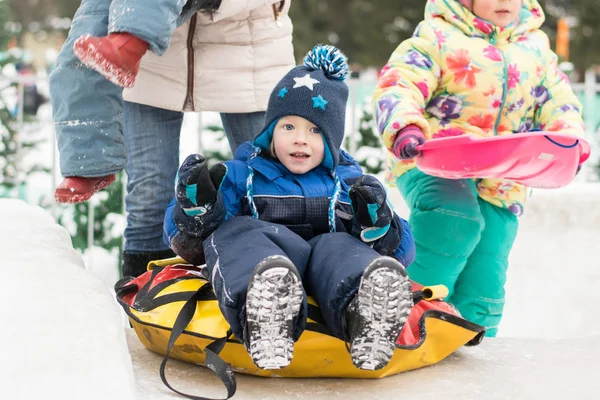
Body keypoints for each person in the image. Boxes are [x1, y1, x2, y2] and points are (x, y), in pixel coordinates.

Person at [163, 45, 416, 371]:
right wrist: (198, 208)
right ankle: (263, 316)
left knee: (342, 246)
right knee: (238, 232)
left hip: (327, 272)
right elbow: (184, 240)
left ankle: (364, 313)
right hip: (269, 263)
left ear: (332, 140)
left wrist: (379, 225)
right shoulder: (241, 175)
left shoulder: (349, 184)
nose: (300, 139)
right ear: (269, 133)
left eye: (315, 131)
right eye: (288, 127)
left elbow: (404, 251)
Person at [372, 0, 585, 337]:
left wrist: (568, 142)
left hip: (504, 174)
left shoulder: (535, 49)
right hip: (435, 160)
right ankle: (402, 312)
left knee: (488, 265)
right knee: (455, 219)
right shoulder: (438, 36)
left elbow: (558, 101)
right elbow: (401, 82)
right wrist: (404, 126)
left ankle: (473, 341)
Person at [49, 0, 295, 275]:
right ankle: (145, 306)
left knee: (277, 192)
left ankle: (284, 295)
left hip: (249, 55)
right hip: (150, 58)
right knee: (148, 199)